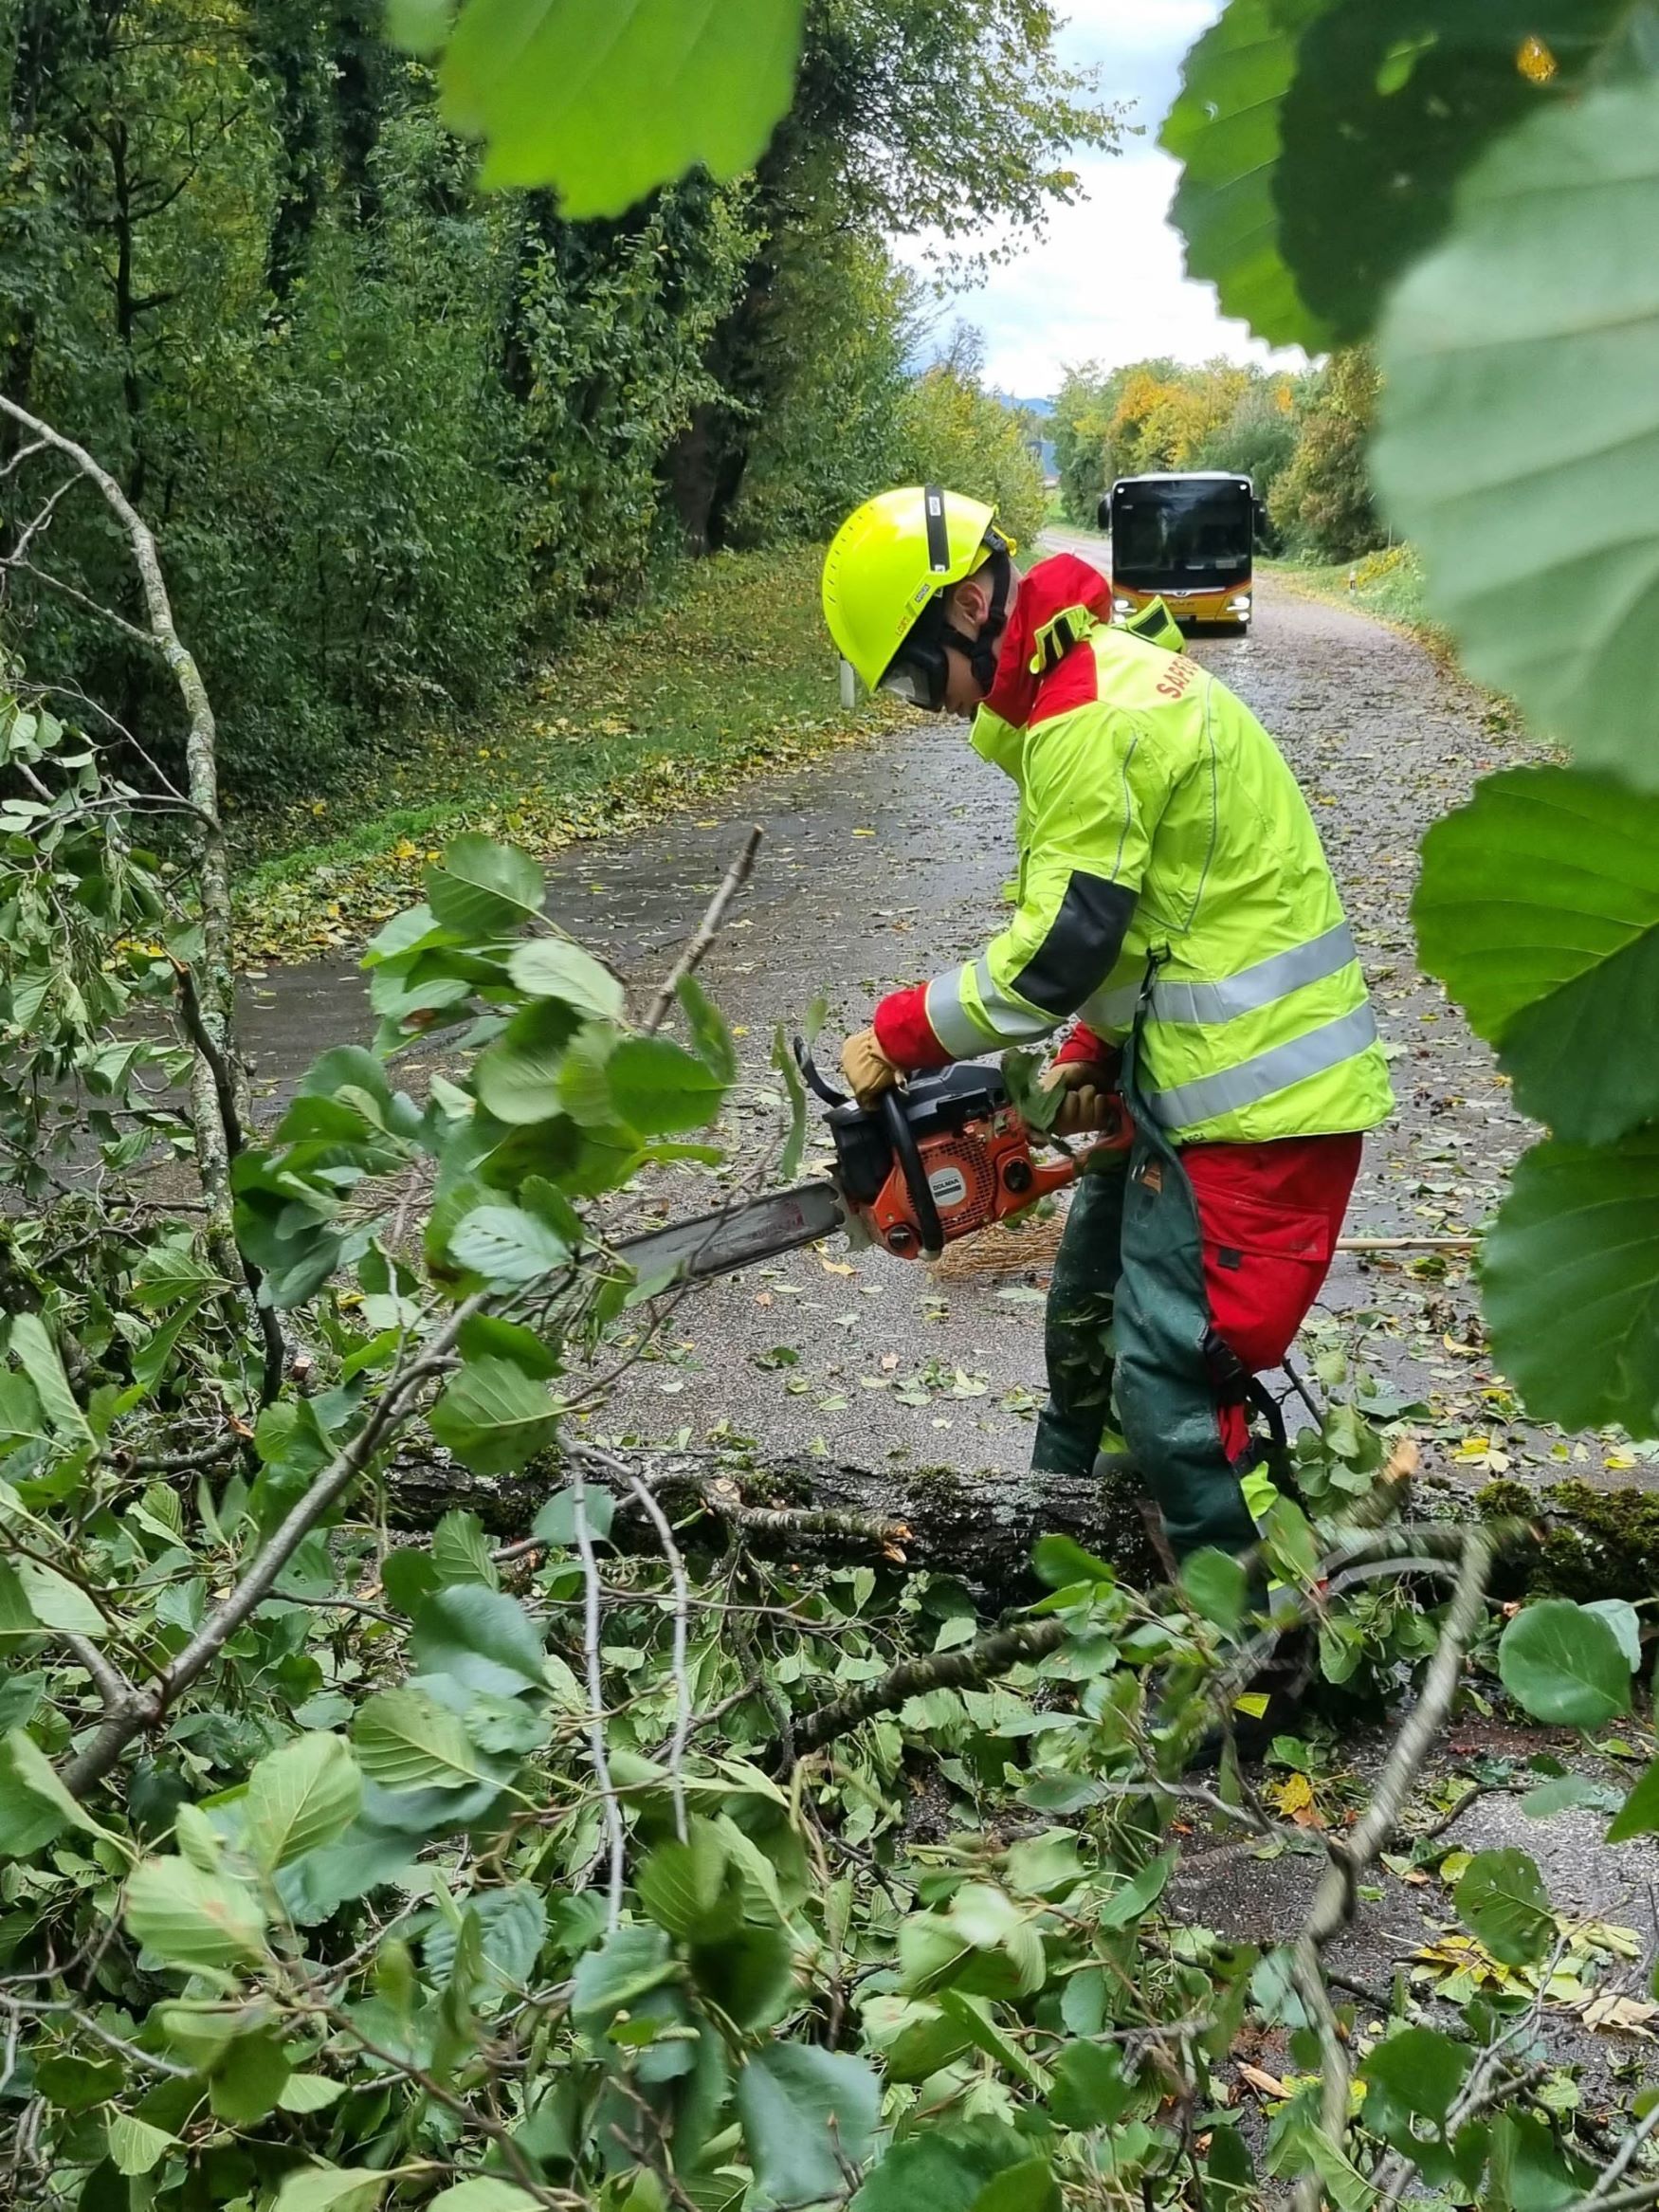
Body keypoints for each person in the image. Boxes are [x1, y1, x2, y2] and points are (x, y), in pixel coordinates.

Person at [820, 485, 1393, 1566]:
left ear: (973, 600)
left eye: (908, 670)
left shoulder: (1092, 711)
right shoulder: (1081, 698)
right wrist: (1096, 1051)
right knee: (1086, 1316)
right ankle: (1060, 1560)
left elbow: (1058, 954)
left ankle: (1261, 1647)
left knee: (1169, 1372)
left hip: (1256, 1110)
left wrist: (903, 1034)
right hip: (1188, 1089)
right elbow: (1161, 916)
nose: (922, 703)